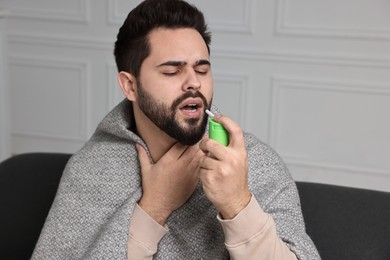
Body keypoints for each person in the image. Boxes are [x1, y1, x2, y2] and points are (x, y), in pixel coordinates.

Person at [32, 0, 321, 259]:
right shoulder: (92, 169)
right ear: (130, 85)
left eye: (202, 69)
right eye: (172, 71)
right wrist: (153, 208)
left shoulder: (254, 162)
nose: (193, 82)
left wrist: (237, 204)